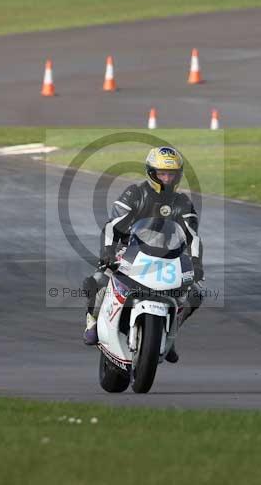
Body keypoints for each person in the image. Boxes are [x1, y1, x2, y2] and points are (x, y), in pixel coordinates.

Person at [82, 146, 204, 362]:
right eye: (162, 174)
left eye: (172, 174)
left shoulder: (182, 202)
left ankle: (170, 335)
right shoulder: (135, 193)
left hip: (169, 257)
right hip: (129, 250)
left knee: (195, 292)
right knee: (98, 279)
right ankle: (92, 321)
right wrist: (108, 251)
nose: (167, 179)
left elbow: (193, 236)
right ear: (151, 173)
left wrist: (196, 263)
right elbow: (113, 226)